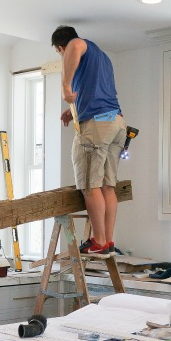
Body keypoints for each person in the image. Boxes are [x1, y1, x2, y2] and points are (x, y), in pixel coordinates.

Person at [52, 25, 127, 255]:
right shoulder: (100, 57)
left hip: (97, 126)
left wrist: (65, 86)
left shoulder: (77, 44)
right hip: (116, 121)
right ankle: (109, 240)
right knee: (107, 185)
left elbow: (76, 44)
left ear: (60, 47)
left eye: (59, 52)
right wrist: (71, 109)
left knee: (89, 185)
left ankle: (99, 240)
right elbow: (95, 91)